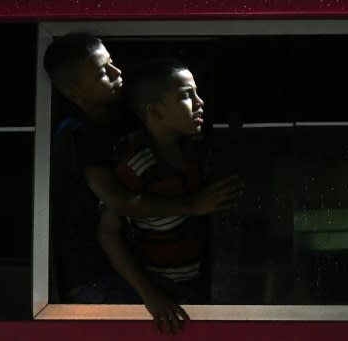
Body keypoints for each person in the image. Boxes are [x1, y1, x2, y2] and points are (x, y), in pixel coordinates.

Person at [43, 33, 242, 303]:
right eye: (103, 72)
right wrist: (192, 205)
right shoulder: (77, 135)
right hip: (94, 273)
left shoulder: (121, 122)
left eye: (112, 62)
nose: (117, 72)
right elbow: (120, 202)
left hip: (132, 264)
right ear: (73, 92)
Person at [98, 59, 222, 334]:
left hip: (201, 283)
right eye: (186, 96)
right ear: (155, 113)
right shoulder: (136, 166)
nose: (200, 102)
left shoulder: (196, 153)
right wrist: (149, 296)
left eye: (196, 93)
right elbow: (108, 234)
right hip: (163, 290)